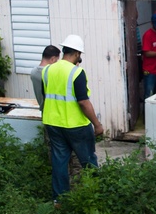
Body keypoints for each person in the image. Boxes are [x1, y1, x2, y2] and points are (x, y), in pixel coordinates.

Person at [41, 34, 104, 203]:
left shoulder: (47, 70)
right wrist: (97, 125)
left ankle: (60, 201)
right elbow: (83, 102)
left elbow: (45, 96)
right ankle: (95, 197)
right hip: (76, 126)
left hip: (53, 123)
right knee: (88, 160)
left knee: (60, 161)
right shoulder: (77, 72)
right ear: (76, 53)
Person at [31, 44, 61, 110]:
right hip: (53, 111)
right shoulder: (50, 74)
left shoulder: (33, 72)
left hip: (43, 110)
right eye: (56, 60)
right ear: (52, 59)